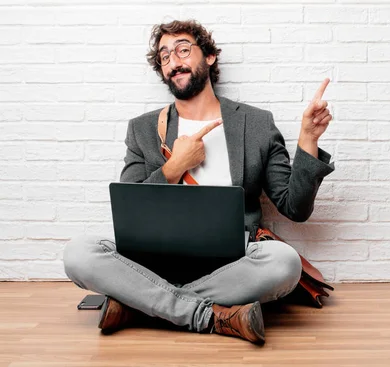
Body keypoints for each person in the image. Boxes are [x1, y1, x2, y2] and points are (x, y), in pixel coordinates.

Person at [62, 19, 334, 344]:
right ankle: (209, 315)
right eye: (164, 57)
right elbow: (132, 209)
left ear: (209, 57)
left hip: (232, 264)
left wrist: (307, 140)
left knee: (284, 263)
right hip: (153, 261)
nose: (173, 62)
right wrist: (173, 167)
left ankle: (140, 305)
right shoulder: (143, 129)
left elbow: (295, 207)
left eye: (183, 49)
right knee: (78, 253)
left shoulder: (256, 123)